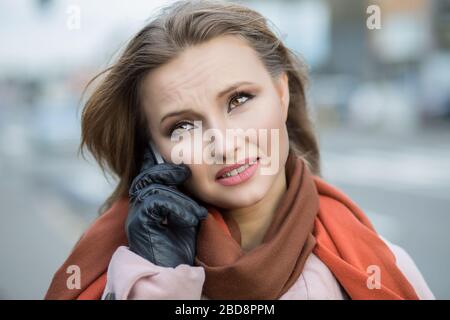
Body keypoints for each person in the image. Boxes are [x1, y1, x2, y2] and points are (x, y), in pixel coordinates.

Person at [45, 0, 435, 300]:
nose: (225, 142)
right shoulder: (121, 280)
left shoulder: (384, 267)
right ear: (155, 151)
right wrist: (158, 279)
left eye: (239, 99)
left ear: (281, 94)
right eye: (182, 126)